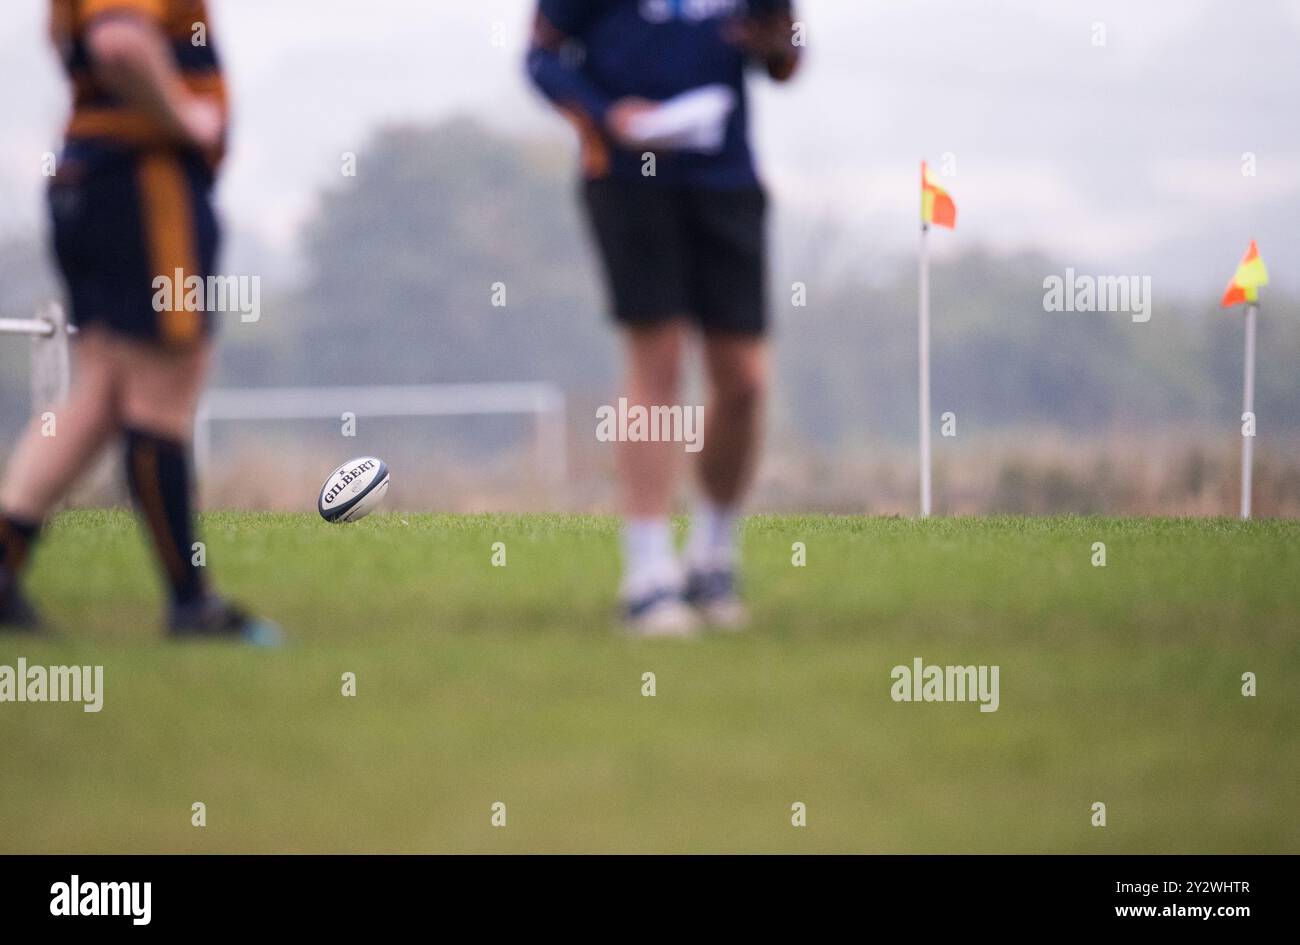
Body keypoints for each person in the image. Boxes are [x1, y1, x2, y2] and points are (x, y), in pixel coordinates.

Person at [0, 0, 278, 643]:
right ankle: (192, 605)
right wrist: (181, 115)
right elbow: (120, 42)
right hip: (143, 185)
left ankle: (4, 569)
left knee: (98, 396)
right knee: (164, 390)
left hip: (93, 180)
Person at [527, 0, 802, 636]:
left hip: (725, 178)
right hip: (628, 178)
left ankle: (711, 558)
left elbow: (785, 57)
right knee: (660, 361)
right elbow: (540, 57)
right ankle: (648, 576)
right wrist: (606, 114)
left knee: (745, 380)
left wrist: (772, 42)